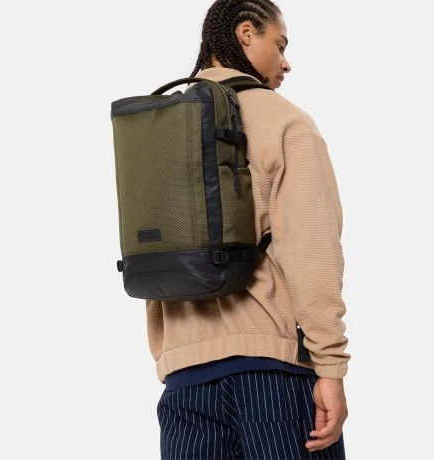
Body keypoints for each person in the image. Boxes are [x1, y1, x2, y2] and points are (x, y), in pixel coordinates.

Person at [146, 0, 351, 458]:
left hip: (183, 384)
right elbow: (312, 253)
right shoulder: (284, 121)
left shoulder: (161, 125)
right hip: (273, 378)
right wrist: (331, 367)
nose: (285, 62)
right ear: (245, 33)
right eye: (279, 45)